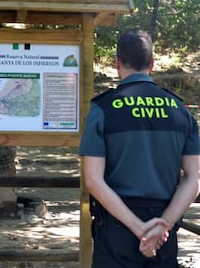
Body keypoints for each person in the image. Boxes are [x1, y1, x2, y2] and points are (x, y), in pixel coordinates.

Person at [79, 28, 200, 267]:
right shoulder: (180, 110)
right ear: (152, 63)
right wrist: (162, 225)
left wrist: (138, 229)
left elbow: (93, 181)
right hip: (162, 230)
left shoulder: (103, 109)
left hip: (116, 226)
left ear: (117, 63)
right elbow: (194, 177)